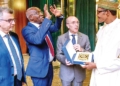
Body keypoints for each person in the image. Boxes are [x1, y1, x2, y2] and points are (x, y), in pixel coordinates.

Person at [22, 4, 63, 86]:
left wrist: (59, 17)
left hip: (49, 66)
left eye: (41, 12)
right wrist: (47, 19)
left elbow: (55, 27)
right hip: (39, 69)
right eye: (37, 13)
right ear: (31, 18)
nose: (41, 14)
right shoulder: (26, 30)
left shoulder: (43, 26)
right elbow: (37, 40)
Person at [82, 0, 120, 86]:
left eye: (99, 12)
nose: (97, 15)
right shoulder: (102, 29)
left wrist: (97, 65)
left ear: (108, 12)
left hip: (112, 78)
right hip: (97, 77)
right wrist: (84, 57)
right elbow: (98, 52)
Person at [56, 16, 91, 86]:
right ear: (67, 25)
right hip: (66, 72)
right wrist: (65, 60)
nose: (76, 24)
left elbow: (89, 54)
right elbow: (58, 55)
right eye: (73, 22)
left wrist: (82, 50)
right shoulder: (61, 38)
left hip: (79, 72)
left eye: (77, 22)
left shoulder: (85, 37)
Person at [0, 7, 26, 86]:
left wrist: (22, 79)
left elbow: (19, 58)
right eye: (9, 20)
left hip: (18, 80)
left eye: (13, 19)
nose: (13, 23)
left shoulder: (14, 36)